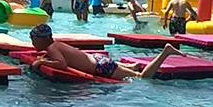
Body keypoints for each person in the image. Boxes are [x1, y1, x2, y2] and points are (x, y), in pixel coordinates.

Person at [29, 24, 183, 79]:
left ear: (43, 39)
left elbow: (61, 64)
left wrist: (41, 62)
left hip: (101, 67)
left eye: (34, 40)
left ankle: (165, 52)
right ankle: (132, 66)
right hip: (97, 59)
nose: (32, 43)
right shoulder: (55, 45)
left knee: (142, 78)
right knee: (133, 72)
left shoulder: (52, 48)